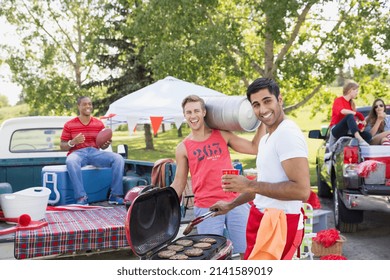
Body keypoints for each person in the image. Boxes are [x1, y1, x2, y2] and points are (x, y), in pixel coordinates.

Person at [210, 78, 311, 260]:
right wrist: (231, 205)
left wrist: (249, 185)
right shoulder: (266, 139)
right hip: (262, 218)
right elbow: (263, 186)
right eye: (256, 105)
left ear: (279, 100)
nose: (262, 110)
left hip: (278, 224)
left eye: (267, 101)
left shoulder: (287, 133)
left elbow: (302, 191)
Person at [170, 94, 266, 259]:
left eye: (196, 111)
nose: (193, 116)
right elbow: (179, 183)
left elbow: (254, 147)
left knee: (249, 252)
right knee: (210, 256)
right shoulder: (183, 148)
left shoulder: (222, 134)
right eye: (189, 112)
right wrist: (162, 204)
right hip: (207, 208)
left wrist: (262, 121)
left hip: (235, 202)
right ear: (184, 116)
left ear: (204, 112)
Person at [60, 96, 125, 205]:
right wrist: (73, 142)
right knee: (70, 161)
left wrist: (105, 144)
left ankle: (115, 195)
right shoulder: (69, 124)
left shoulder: (99, 124)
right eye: (85, 104)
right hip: (77, 153)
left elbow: (102, 146)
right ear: (78, 106)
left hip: (95, 153)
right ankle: (81, 197)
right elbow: (62, 145)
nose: (88, 106)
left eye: (90, 104)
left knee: (118, 158)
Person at [329, 81, 372, 146]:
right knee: (349, 116)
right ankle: (360, 139)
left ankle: (359, 148)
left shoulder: (351, 104)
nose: (357, 93)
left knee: (368, 135)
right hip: (336, 130)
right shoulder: (338, 100)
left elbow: (352, 122)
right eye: (356, 91)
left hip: (347, 131)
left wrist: (360, 126)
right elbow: (342, 111)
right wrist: (358, 114)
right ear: (350, 90)